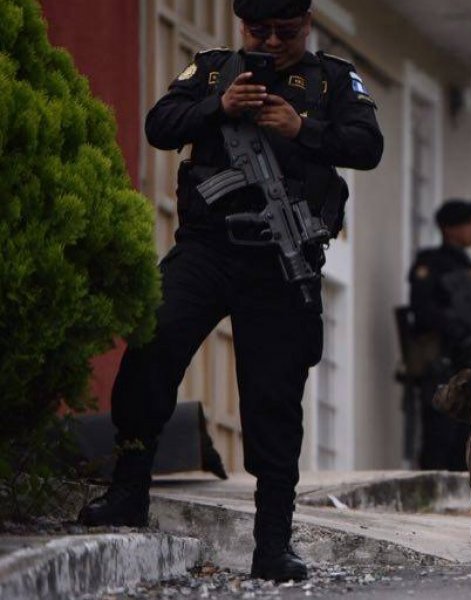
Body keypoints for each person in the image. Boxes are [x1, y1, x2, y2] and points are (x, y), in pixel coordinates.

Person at [77, 0, 384, 582]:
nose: (270, 41)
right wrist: (218, 107)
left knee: (272, 398)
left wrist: (303, 128)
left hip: (280, 260)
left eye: (285, 32)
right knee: (154, 342)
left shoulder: (333, 80)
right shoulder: (214, 70)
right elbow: (159, 125)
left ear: (307, 24)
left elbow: (367, 145)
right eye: (258, 30)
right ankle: (128, 487)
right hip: (208, 249)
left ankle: (273, 542)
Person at [408, 199, 471, 472]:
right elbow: (423, 310)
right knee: (439, 437)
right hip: (443, 364)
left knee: (466, 438)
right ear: (450, 229)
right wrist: (457, 330)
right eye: (468, 224)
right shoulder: (431, 263)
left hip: (470, 365)